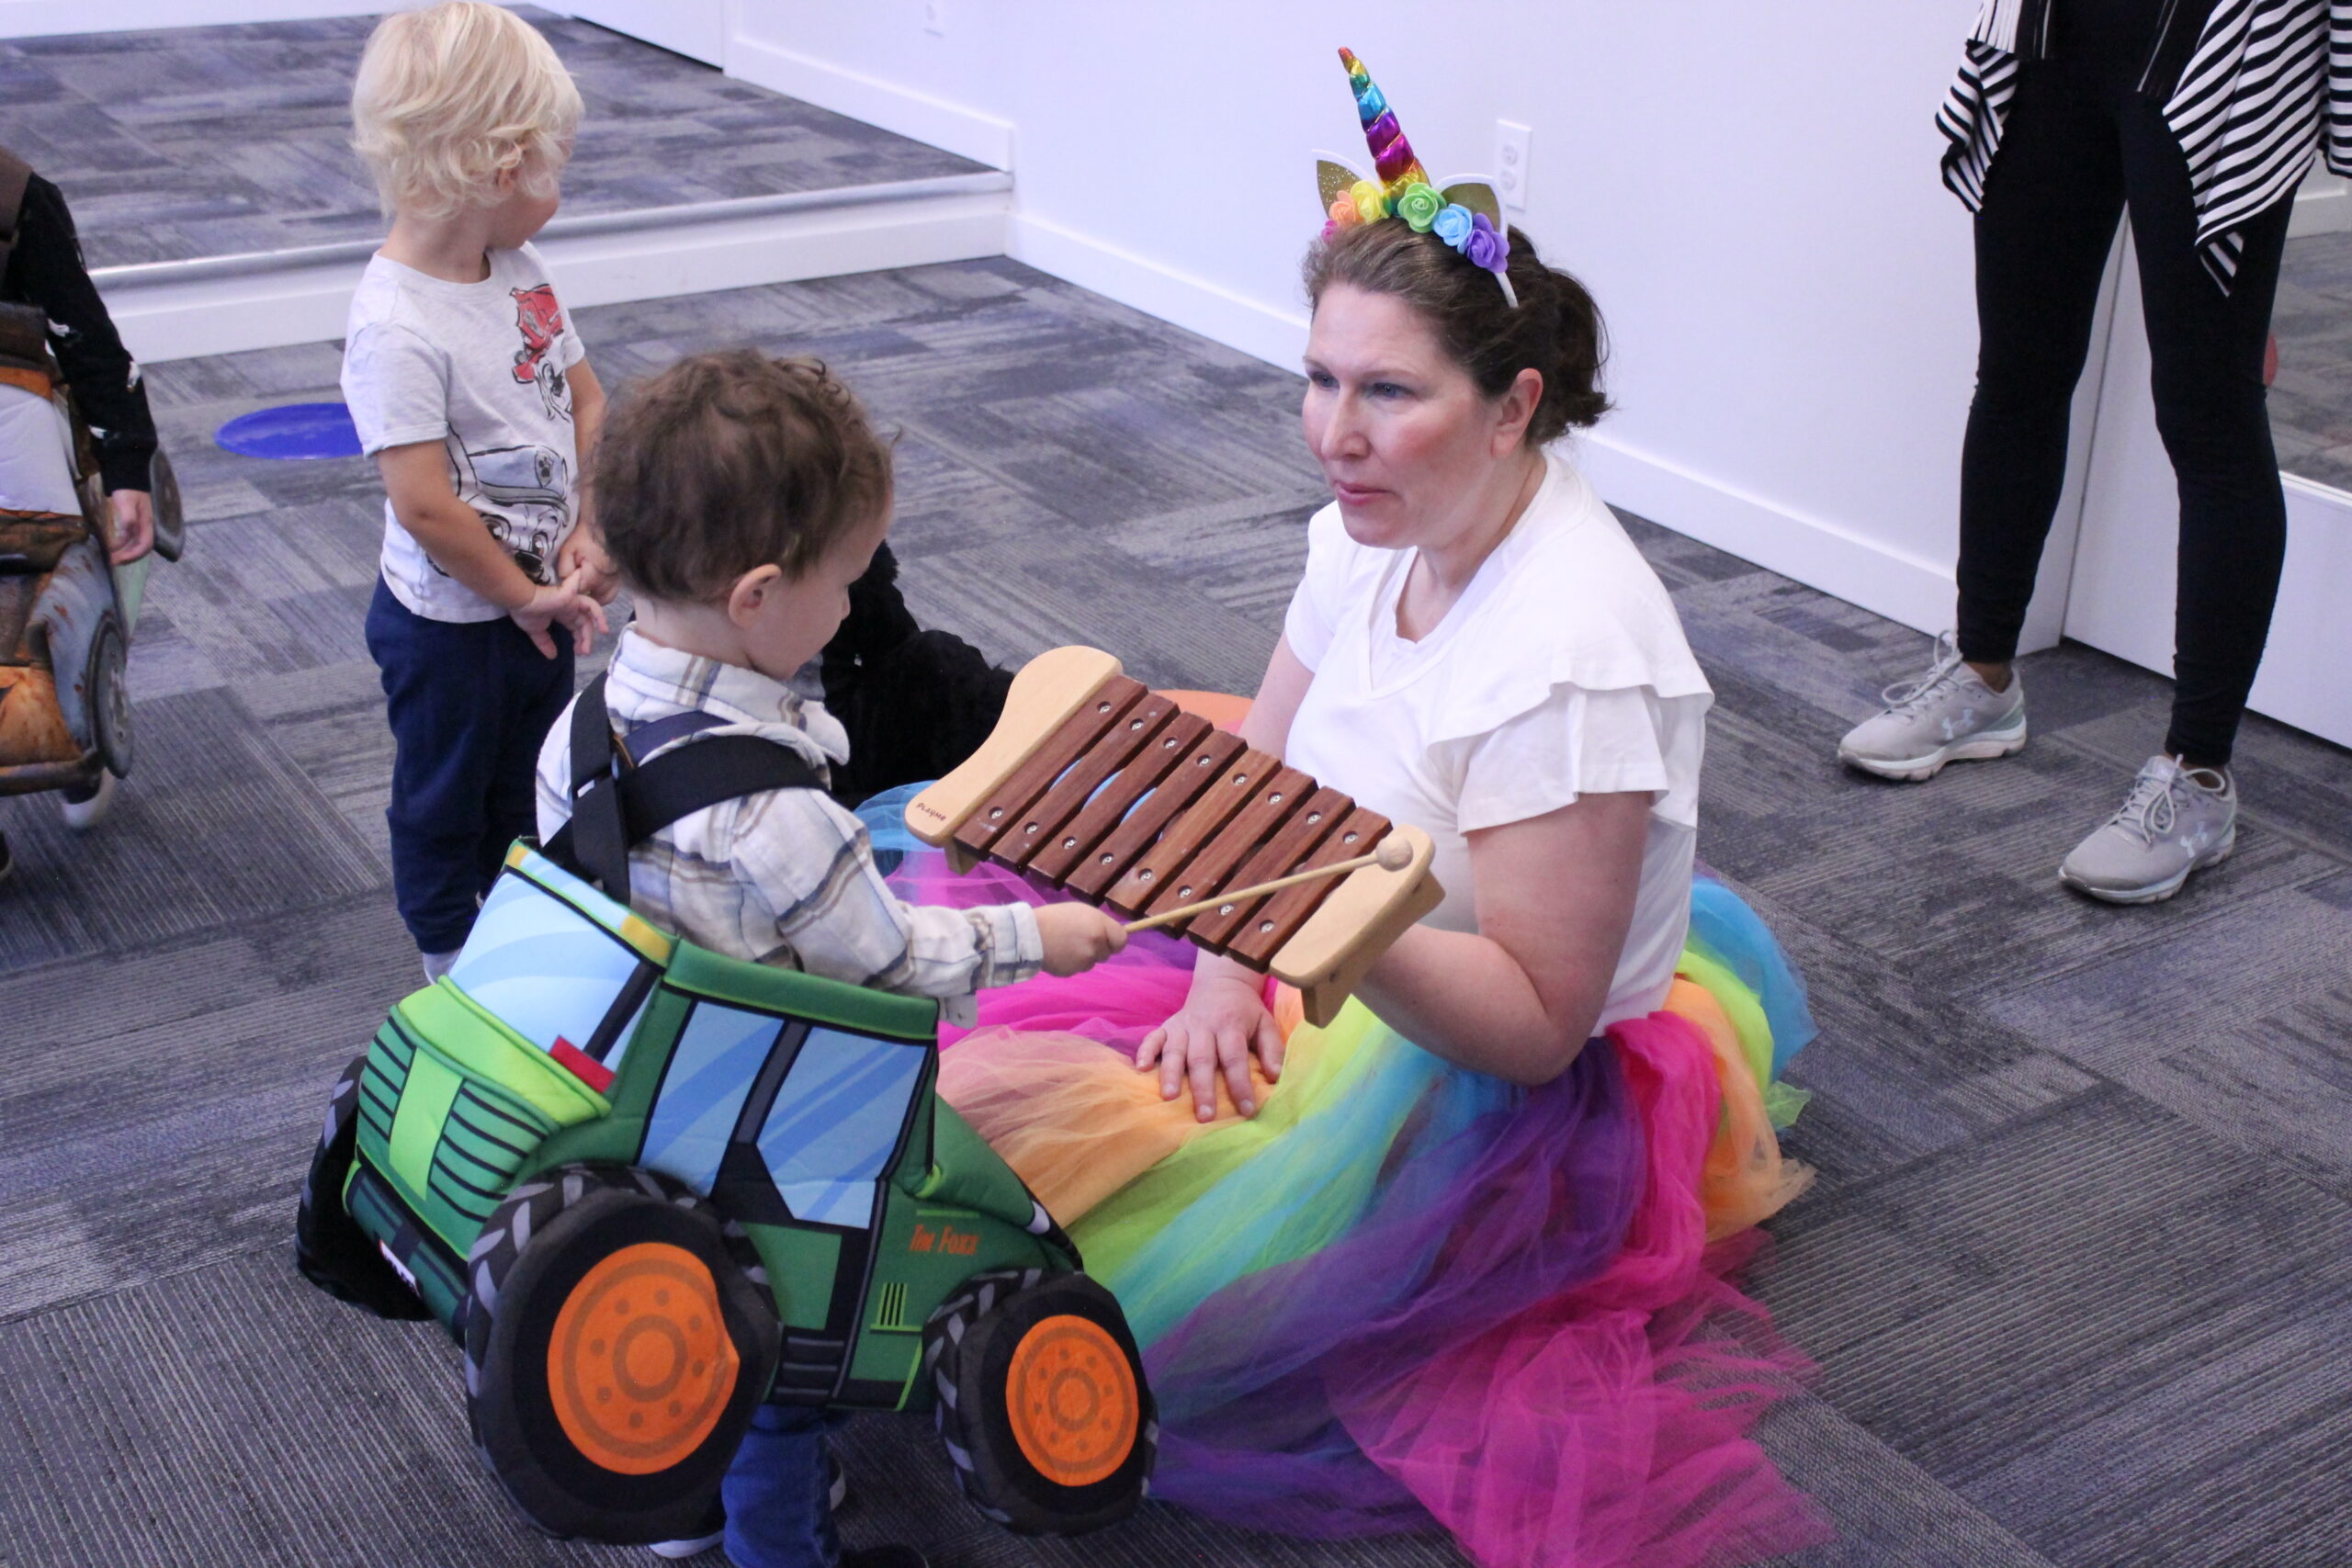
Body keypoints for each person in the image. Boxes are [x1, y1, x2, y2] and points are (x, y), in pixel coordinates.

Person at [877, 51, 1823, 1568]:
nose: (1335, 433)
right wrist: (1221, 958)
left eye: (1390, 392)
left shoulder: (1571, 660)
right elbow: (1274, 754)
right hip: (1337, 923)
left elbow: (1533, 1026)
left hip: (1482, 1067)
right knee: (954, 1052)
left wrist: (1297, 916)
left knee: (1113, 1265)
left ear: (1514, 405)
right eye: (1320, 378)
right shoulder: (1371, 522)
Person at [535, 347, 1129, 1568]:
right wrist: (1041, 935)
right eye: (849, 581)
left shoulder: (583, 719)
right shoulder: (775, 809)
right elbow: (893, 962)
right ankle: (779, 1544)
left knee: (709, 1314)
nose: (858, 609)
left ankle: (681, 1487)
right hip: (764, 1123)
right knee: (784, 1368)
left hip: (624, 1079)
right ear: (758, 595)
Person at [1842, 0, 2352, 903]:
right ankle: (1981, 673)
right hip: (2060, 30)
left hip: (2220, 50)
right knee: (2016, 369)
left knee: (2209, 417)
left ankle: (2196, 777)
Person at [342, 3, 614, 979]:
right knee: (443, 796)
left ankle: (526, 923)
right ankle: (448, 959)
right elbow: (423, 505)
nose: (561, 189)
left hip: (535, 601)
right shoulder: (397, 325)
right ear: (506, 168)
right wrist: (521, 594)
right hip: (449, 624)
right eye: (559, 166)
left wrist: (589, 523)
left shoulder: (522, 273)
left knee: (533, 777)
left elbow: (585, 400)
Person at [0, 144, 162, 871]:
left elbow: (88, 340)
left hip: (14, 454)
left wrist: (128, 466)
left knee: (31, 619)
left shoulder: (14, 198)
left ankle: (74, 731)